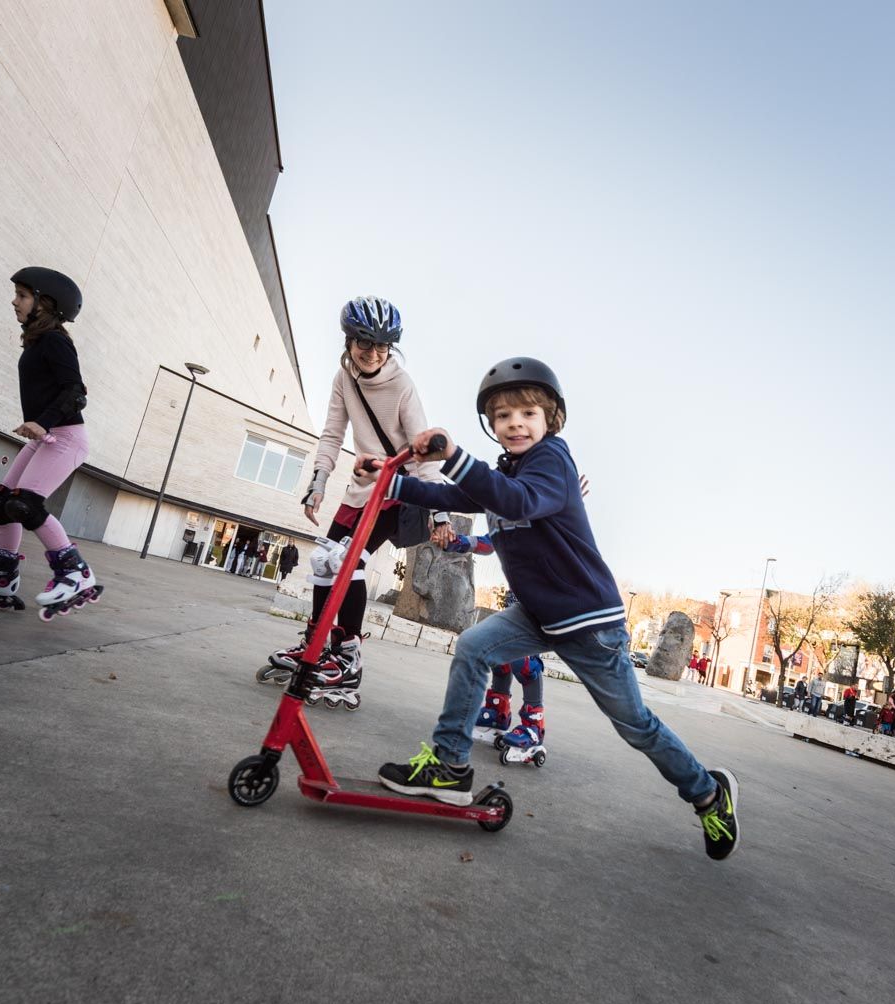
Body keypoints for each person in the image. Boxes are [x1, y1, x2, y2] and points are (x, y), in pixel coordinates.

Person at [353, 356, 738, 859]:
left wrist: (453, 455)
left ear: (550, 419)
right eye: (503, 416)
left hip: (589, 624)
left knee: (636, 726)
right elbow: (461, 494)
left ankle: (708, 793)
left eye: (527, 413)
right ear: (492, 425)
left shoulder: (553, 461)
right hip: (537, 614)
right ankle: (449, 767)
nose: (515, 424)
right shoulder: (506, 472)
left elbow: (518, 501)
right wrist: (390, 480)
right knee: (473, 648)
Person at [261, 297, 452, 702]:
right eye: (365, 342)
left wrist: (439, 512)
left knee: (350, 562)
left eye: (382, 345)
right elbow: (332, 433)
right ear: (349, 341)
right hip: (361, 487)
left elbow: (425, 450)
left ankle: (348, 659)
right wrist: (318, 482)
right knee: (324, 560)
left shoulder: (402, 385)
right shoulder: (343, 379)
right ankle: (316, 646)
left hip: (398, 491)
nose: (373, 353)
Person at [0, 268, 98, 619]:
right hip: (46, 438)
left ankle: (74, 572)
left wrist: (43, 421)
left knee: (25, 504)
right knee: (0, 503)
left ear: (46, 303)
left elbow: (76, 392)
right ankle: (0, 575)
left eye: (23, 296)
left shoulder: (55, 340)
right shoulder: (39, 341)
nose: (15, 301)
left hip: (66, 438)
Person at [447, 531, 550, 764]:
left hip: (542, 607)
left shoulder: (551, 526)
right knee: (499, 656)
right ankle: (497, 712)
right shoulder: (515, 524)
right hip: (517, 606)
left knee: (525, 663)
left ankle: (534, 725)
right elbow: (488, 542)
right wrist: (457, 542)